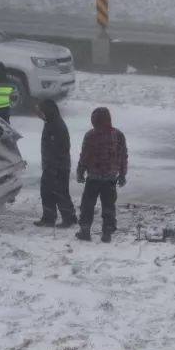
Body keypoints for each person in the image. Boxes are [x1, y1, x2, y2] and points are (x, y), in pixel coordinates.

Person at [75, 107, 128, 243]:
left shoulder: (90, 135)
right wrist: (122, 174)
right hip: (110, 179)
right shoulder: (118, 135)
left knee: (87, 204)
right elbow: (123, 156)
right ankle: (107, 232)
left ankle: (85, 230)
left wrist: (80, 171)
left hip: (93, 178)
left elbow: (84, 156)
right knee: (109, 205)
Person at [34, 99, 77, 228]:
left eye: (41, 111)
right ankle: (53, 217)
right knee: (49, 191)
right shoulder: (51, 122)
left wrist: (53, 167)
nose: (39, 114)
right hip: (52, 165)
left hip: (57, 166)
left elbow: (60, 148)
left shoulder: (56, 126)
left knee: (58, 192)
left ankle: (65, 218)